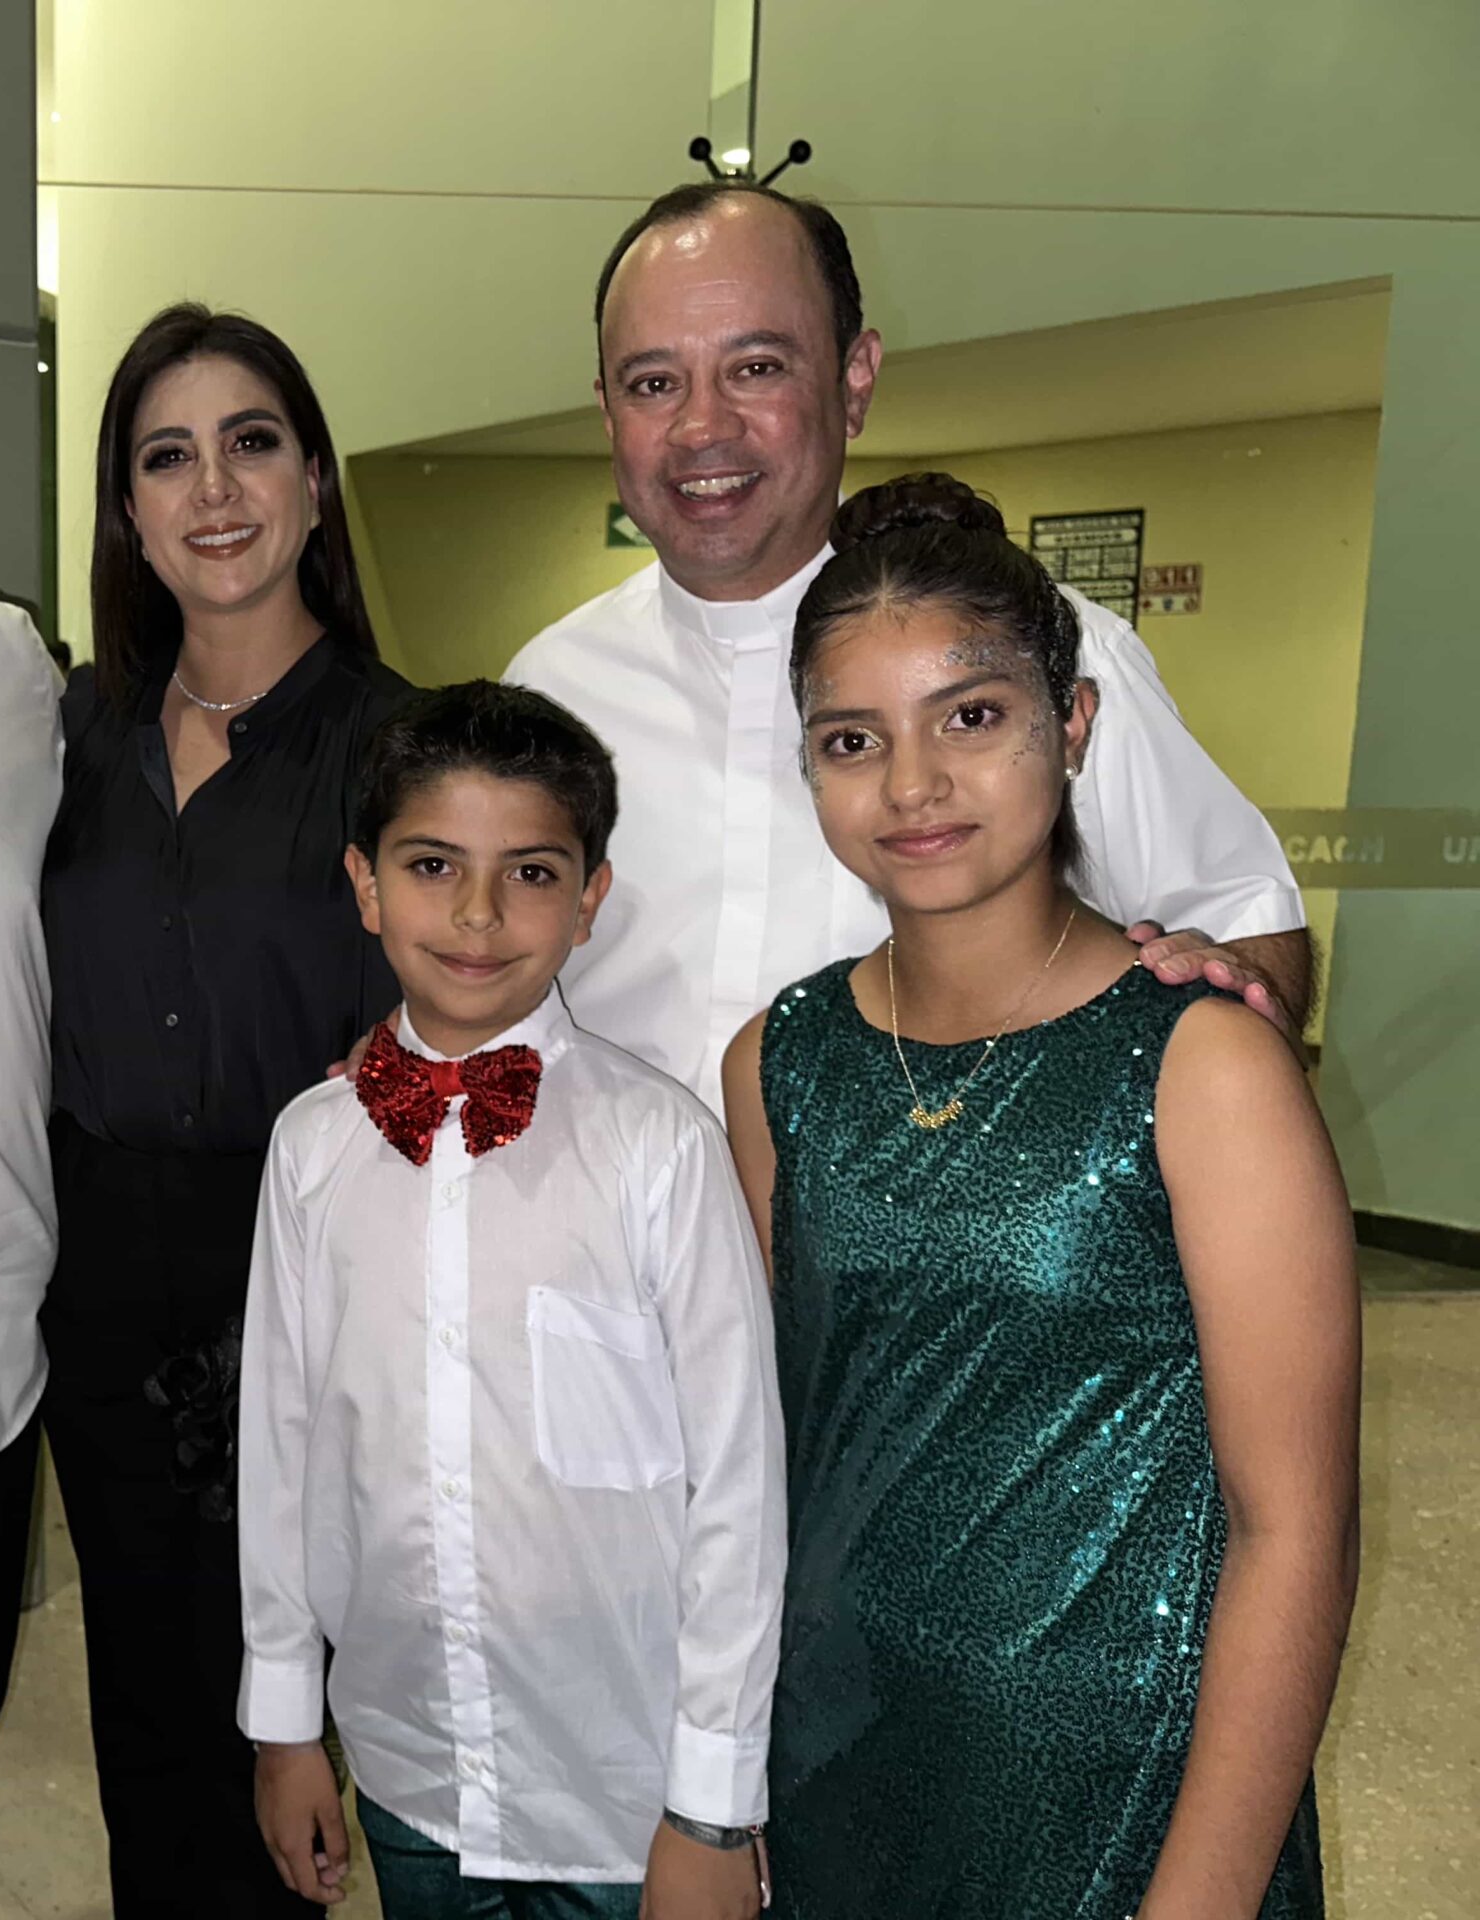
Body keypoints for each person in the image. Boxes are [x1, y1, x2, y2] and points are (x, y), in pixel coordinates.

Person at [720, 475, 1358, 1918]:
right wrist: (720, 1784)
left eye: (971, 716)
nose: (912, 785)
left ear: (1070, 725)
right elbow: (775, 1461)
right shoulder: (776, 1063)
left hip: (1128, 1798)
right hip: (840, 1765)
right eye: (851, 739)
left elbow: (1295, 1533)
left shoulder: (1201, 1065)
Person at [505, 182, 1311, 1110]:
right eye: (654, 383)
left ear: (855, 381)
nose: (702, 428)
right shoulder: (548, 690)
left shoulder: (1038, 653)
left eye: (756, 368)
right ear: (608, 411)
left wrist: (1219, 1009)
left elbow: (1245, 926)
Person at [243, 682, 784, 1919]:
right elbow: (281, 1447)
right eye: (431, 865)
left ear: (589, 900)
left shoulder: (660, 1146)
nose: (478, 914)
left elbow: (737, 1491)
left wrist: (712, 1804)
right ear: (365, 885)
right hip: (408, 1761)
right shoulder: (312, 1147)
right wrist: (283, 1724)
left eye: (530, 873)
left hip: (621, 1786)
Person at [40, 303, 409, 1915]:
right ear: (127, 510)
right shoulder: (73, 737)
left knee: (288, 1741)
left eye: (251, 442)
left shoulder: (403, 747)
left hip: (318, 1284)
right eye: (166, 456)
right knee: (144, 1726)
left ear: (315, 482)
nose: (213, 489)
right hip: (102, 1287)